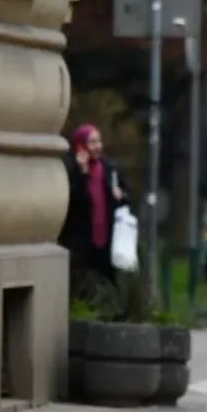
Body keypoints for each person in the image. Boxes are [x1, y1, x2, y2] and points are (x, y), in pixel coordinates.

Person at [59, 123, 126, 288]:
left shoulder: (109, 167)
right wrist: (82, 173)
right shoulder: (69, 168)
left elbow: (125, 195)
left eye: (99, 141)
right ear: (80, 145)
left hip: (106, 236)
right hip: (81, 240)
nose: (97, 147)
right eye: (92, 142)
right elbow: (71, 199)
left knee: (107, 279)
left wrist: (121, 195)